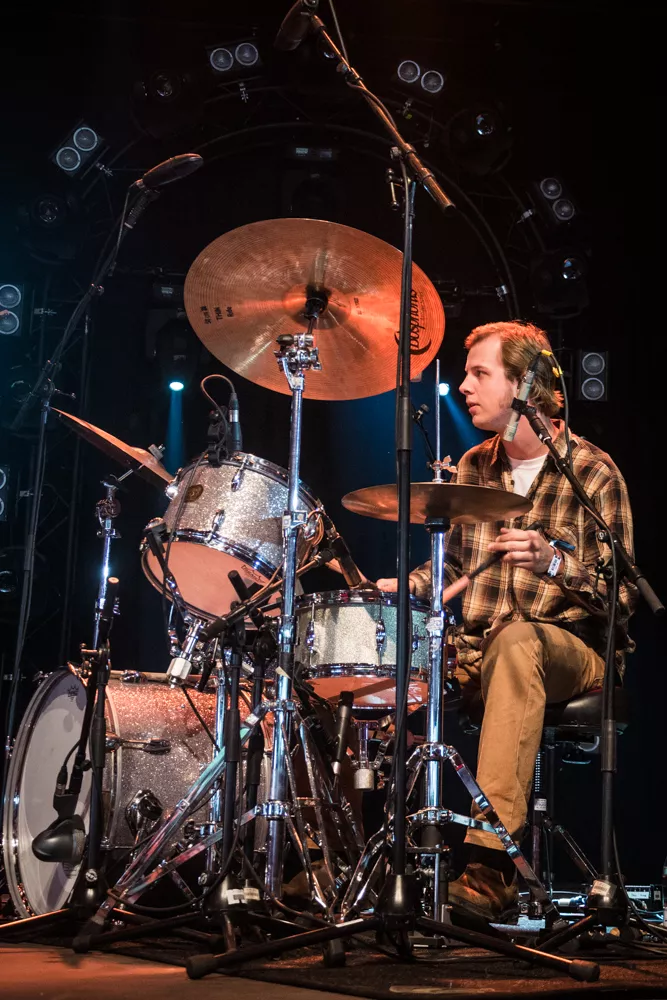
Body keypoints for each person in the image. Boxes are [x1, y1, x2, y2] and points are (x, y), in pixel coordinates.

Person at [376, 320, 637, 920]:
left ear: (524, 386)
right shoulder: (475, 464)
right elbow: (451, 569)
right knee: (361, 665)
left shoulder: (593, 472)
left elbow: (622, 598)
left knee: (518, 642)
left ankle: (492, 868)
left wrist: (555, 563)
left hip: (572, 653)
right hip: (477, 648)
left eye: (479, 373)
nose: (465, 386)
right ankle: (327, 858)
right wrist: (400, 588)